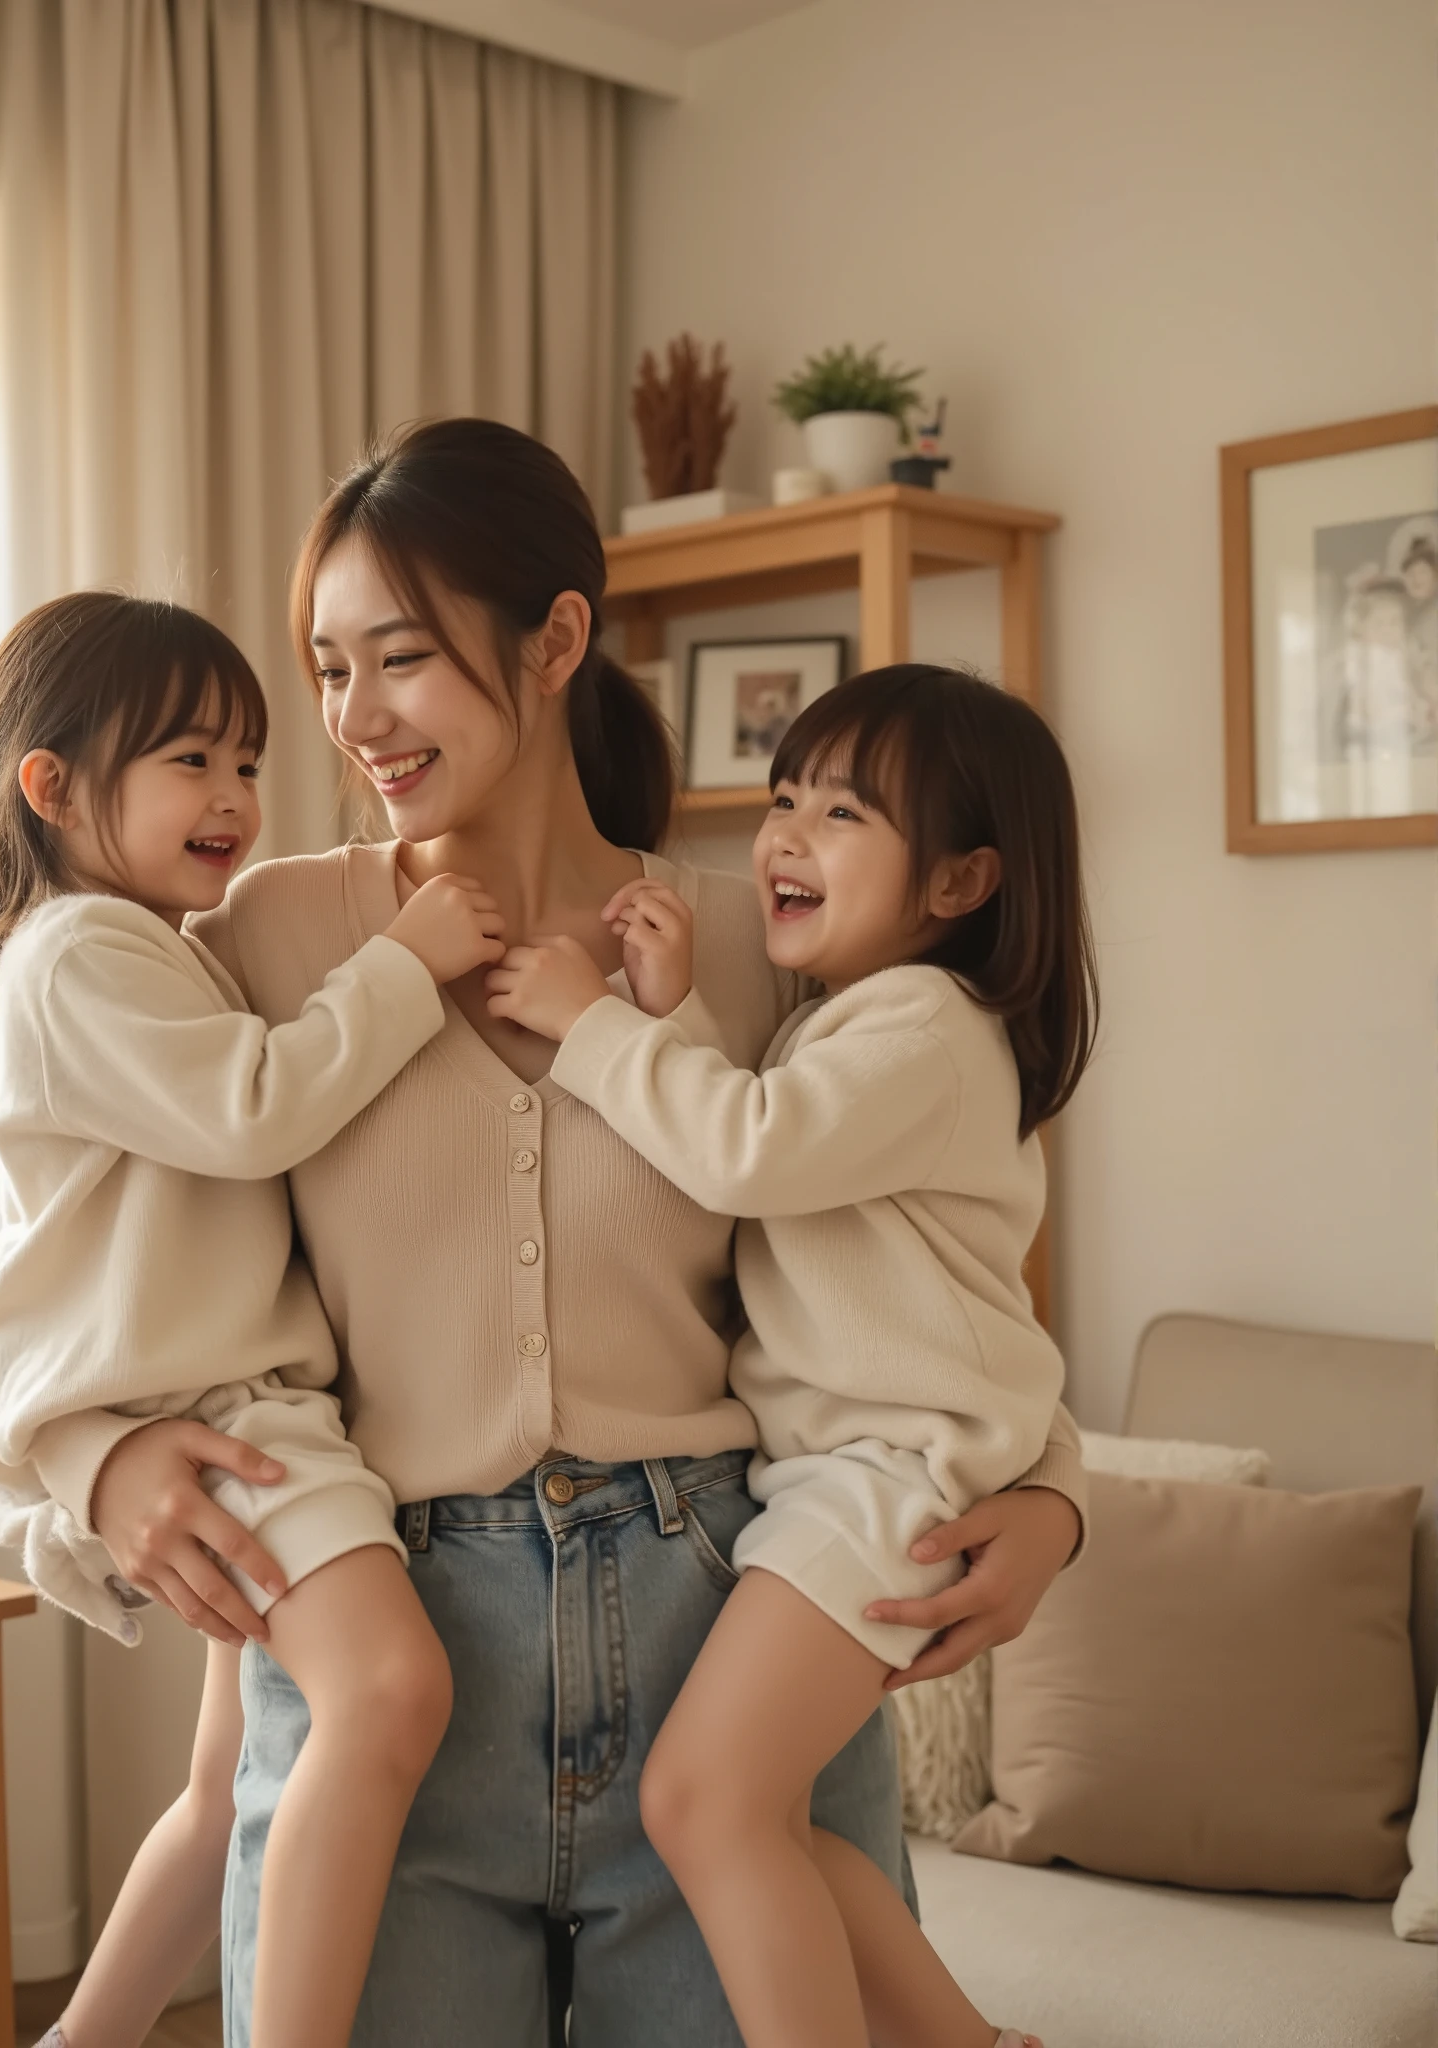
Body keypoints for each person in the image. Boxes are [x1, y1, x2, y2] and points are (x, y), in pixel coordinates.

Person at [86, 419, 1091, 2048]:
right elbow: (95, 1215)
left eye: (398, 658)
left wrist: (1052, 1490)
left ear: (555, 640)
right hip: (400, 1662)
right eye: (327, 669)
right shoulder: (272, 930)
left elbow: (929, 1268)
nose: (354, 719)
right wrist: (96, 1461)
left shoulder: (759, 950)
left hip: (723, 1624)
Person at [488, 663, 1096, 2047]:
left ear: (959, 883)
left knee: (703, 1803)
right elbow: (767, 1143)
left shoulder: (929, 1026)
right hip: (853, 1475)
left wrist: (594, 1023)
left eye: (839, 812)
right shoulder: (857, 1022)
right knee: (768, 1824)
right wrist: (671, 1016)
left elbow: (753, 1149)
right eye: (779, 799)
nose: (783, 837)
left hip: (895, 1475)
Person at [0, 592, 508, 2048]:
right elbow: (253, 1111)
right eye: (192, 760)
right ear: (51, 787)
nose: (237, 798)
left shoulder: (135, 947)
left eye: (248, 762)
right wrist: (408, 961)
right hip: (217, 1414)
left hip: (204, 1401)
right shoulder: (75, 952)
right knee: (390, 1685)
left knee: (228, 1785)